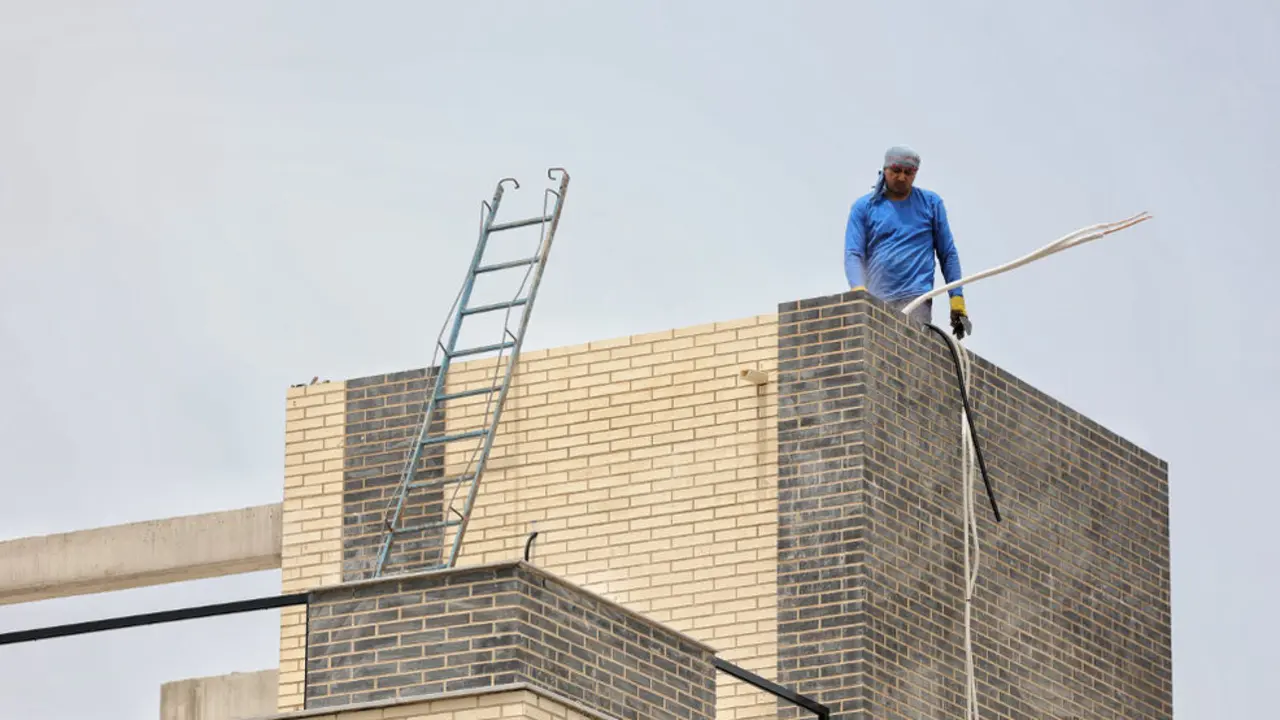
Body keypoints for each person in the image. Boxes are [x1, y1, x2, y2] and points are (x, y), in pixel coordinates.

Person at [845, 145, 972, 339]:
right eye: (896, 171)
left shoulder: (930, 203)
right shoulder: (865, 207)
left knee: (909, 351)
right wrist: (858, 290)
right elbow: (854, 254)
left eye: (909, 172)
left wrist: (956, 298)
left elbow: (947, 254)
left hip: (916, 295)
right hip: (877, 297)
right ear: (885, 170)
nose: (902, 177)